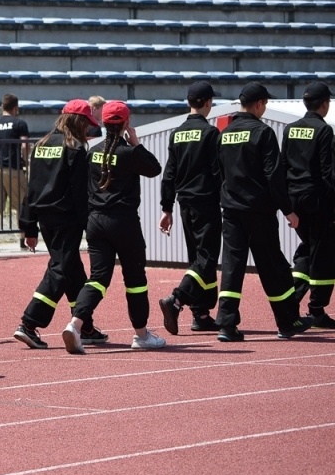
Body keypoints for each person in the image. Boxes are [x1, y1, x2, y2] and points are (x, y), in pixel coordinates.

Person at [62, 101, 166, 353]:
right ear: (126, 123)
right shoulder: (129, 152)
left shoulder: (92, 151)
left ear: (104, 123)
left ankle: (75, 325)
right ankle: (141, 335)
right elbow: (154, 168)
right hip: (124, 222)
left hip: (96, 221)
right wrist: (136, 143)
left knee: (98, 279)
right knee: (135, 280)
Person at [216, 83, 307, 341]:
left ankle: (226, 324)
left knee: (232, 267)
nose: (265, 109)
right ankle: (287, 322)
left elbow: (220, 172)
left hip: (231, 210)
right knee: (273, 266)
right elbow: (273, 175)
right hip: (258, 211)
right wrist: (288, 210)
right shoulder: (263, 132)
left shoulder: (224, 133)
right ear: (258, 104)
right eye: (265, 104)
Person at [14, 100, 96, 349]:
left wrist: (29, 226)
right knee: (60, 269)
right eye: (87, 125)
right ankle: (29, 323)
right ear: (79, 123)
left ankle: (85, 325)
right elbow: (80, 193)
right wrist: (88, 224)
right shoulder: (75, 149)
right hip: (66, 218)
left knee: (73, 270)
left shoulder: (40, 146)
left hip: (44, 218)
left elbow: (32, 189)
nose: (88, 130)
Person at [157, 81, 223, 336]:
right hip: (206, 202)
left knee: (197, 258)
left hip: (184, 204)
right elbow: (218, 172)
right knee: (207, 258)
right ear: (208, 102)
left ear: (188, 102)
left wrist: (166, 208)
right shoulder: (210, 133)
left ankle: (202, 313)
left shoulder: (177, 133)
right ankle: (176, 300)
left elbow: (169, 173)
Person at [285, 81, 335, 328]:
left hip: (294, 198)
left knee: (309, 248)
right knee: (325, 253)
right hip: (316, 200)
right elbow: (328, 172)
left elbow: (282, 167)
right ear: (324, 104)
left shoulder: (290, 129)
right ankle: (316, 309)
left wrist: (286, 204)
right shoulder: (324, 130)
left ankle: (291, 300)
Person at [0, 95, 31, 252]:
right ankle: (23, 240)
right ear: (16, 107)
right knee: (20, 207)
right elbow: (24, 145)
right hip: (14, 169)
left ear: (2, 106)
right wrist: (26, 160)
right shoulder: (19, 123)